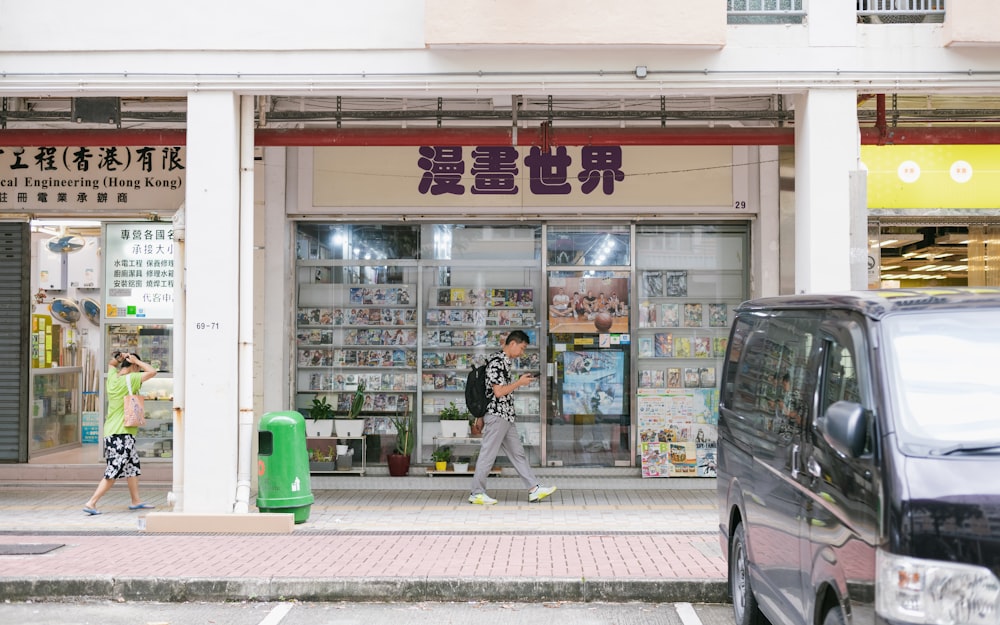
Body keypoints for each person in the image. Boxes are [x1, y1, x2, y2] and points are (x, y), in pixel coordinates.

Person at [469, 330, 557, 505]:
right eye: (522, 348)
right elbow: (498, 392)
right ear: (513, 344)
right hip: (497, 416)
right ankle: (477, 493)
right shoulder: (497, 362)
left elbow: (492, 393)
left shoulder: (504, 362)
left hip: (505, 416)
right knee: (488, 454)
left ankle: (534, 489)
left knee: (518, 454)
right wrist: (519, 383)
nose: (522, 353)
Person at [83, 351, 158, 515]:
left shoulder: (112, 377)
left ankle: (136, 501)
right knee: (114, 470)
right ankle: (91, 503)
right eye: (137, 367)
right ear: (134, 366)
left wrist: (120, 358)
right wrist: (137, 360)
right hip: (121, 433)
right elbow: (152, 371)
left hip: (114, 431)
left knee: (132, 467)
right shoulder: (130, 379)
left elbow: (111, 364)